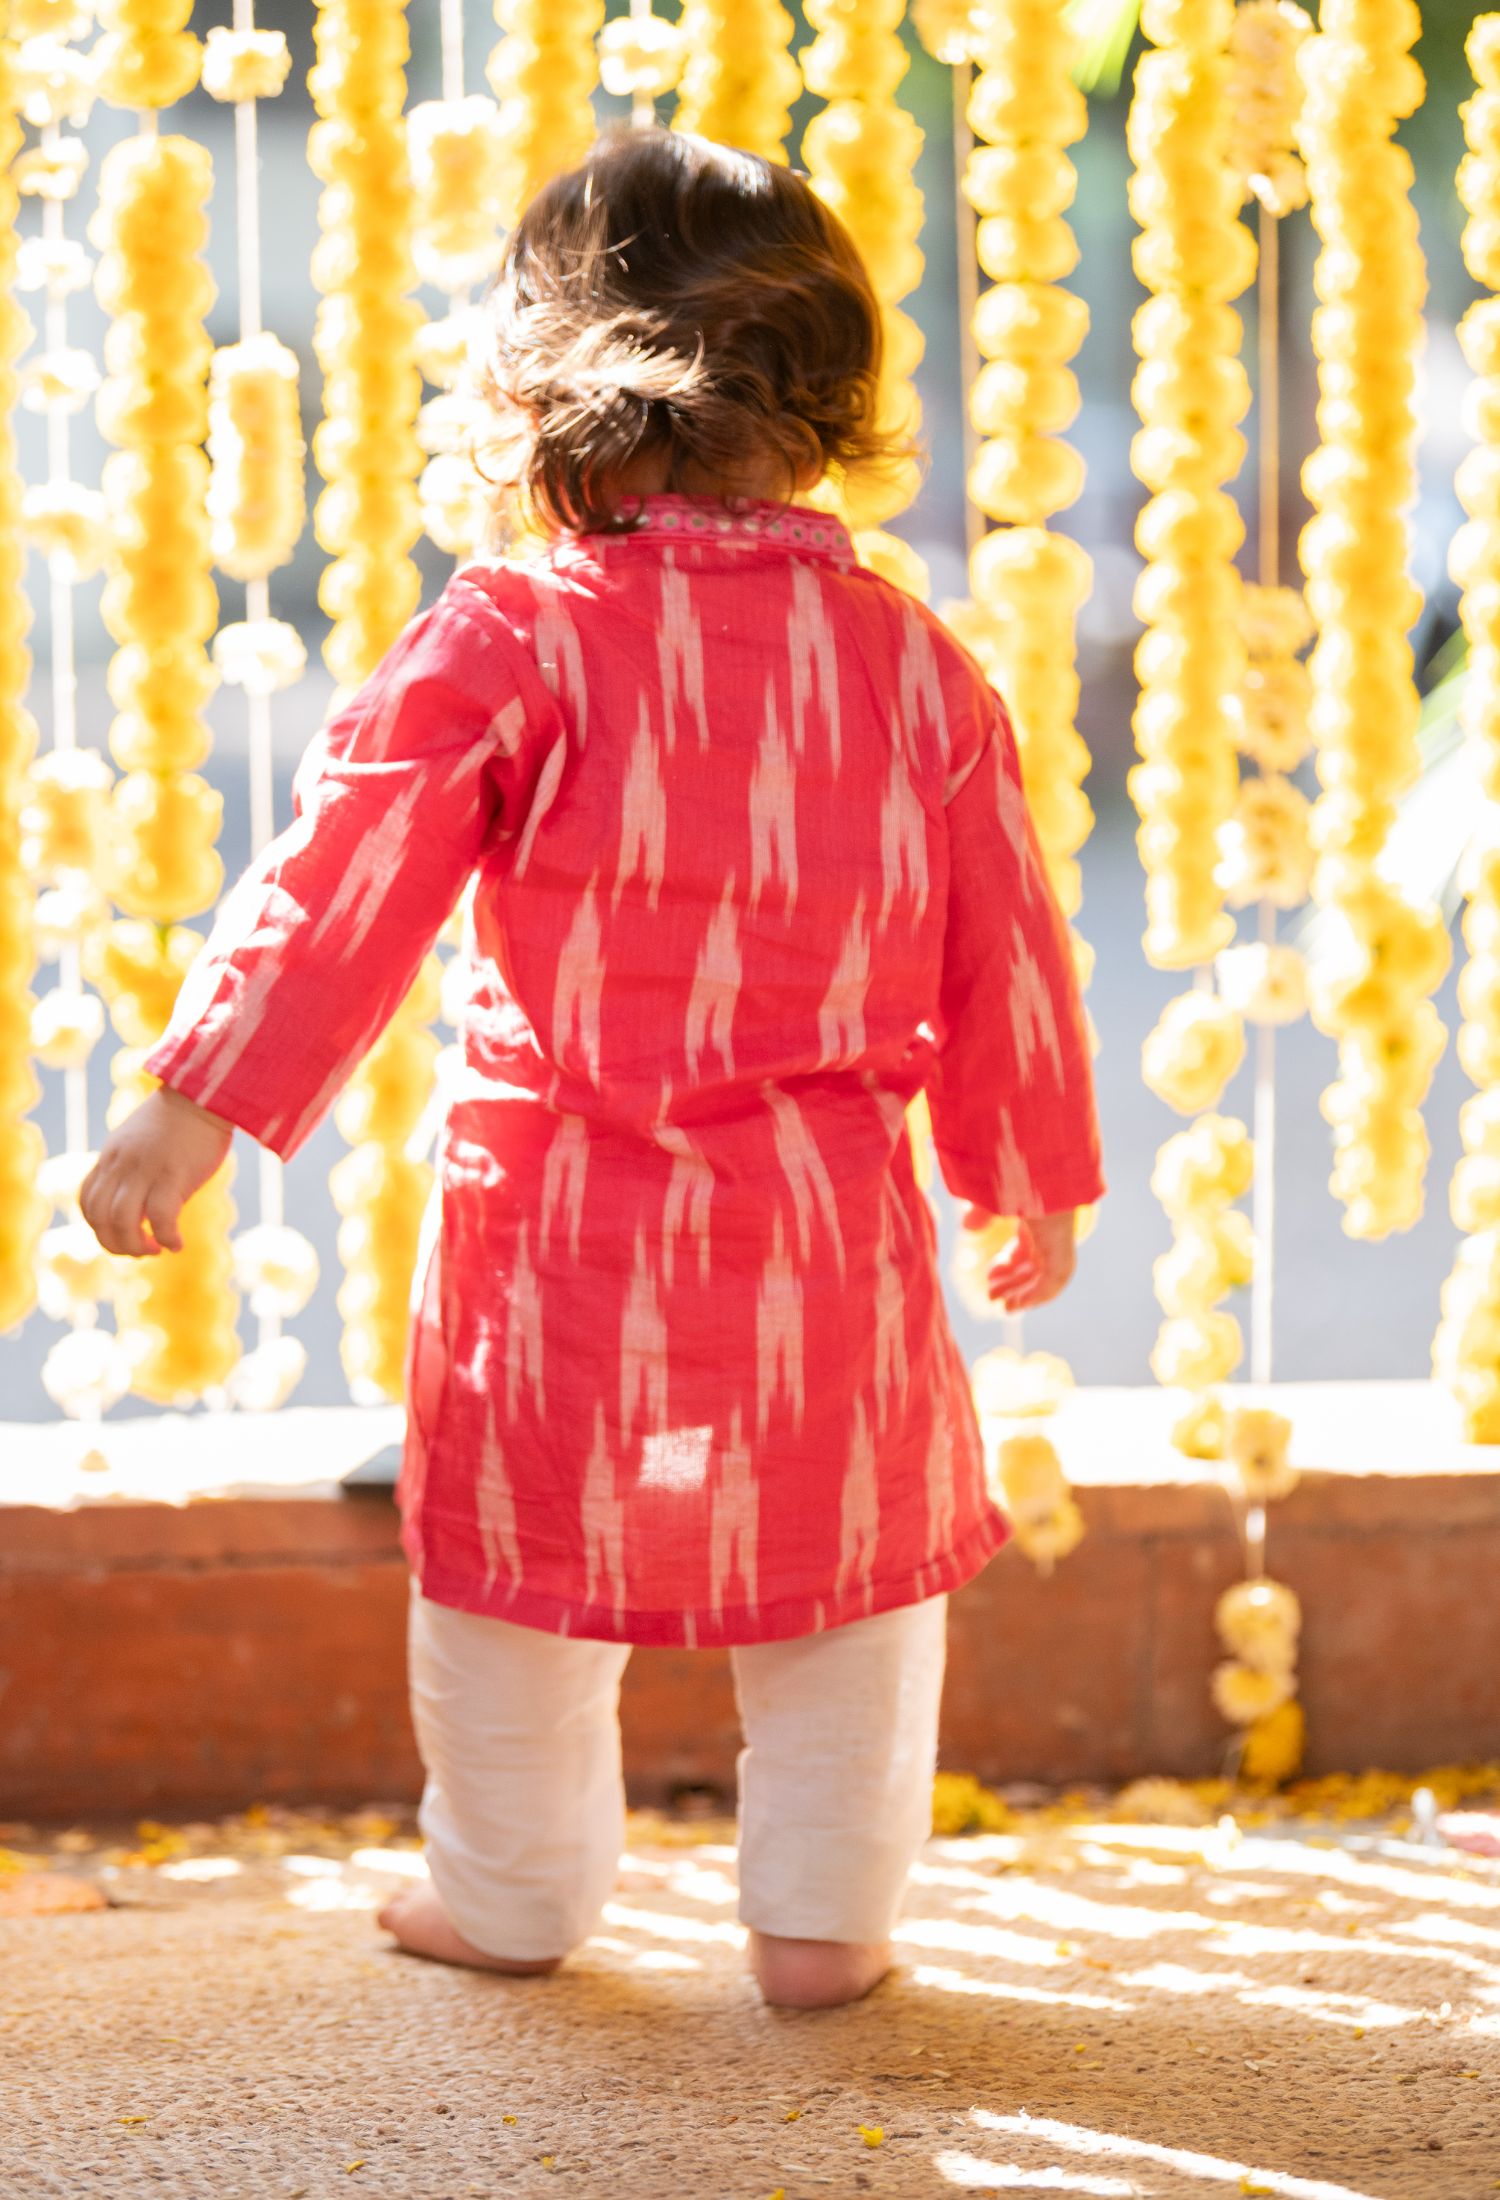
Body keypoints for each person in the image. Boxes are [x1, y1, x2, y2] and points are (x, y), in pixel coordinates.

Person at [80, 127, 1105, 2009]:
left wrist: (198, 1094)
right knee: (850, 1578)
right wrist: (1017, 1165)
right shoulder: (916, 667)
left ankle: (516, 1895)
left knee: (514, 1584)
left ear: (561, 394)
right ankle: (822, 1924)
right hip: (827, 1229)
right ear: (831, 404)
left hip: (560, 1220)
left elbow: (348, 866)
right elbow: (1005, 937)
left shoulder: (518, 633)